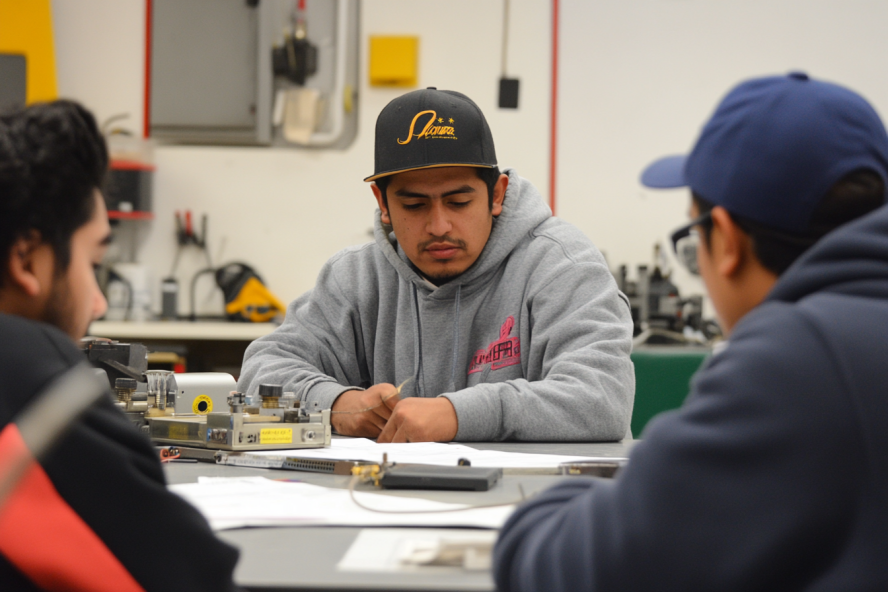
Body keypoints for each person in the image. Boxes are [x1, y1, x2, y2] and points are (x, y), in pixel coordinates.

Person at [494, 72, 888, 591]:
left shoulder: (799, 357)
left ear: (724, 242)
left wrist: (547, 508)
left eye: (692, 234)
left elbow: (578, 567)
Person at [238, 88, 634, 443]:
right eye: (414, 205)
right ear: (382, 202)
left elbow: (602, 397)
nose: (439, 226)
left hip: (534, 509)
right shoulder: (354, 279)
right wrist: (338, 403)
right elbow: (261, 371)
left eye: (459, 202)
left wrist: (457, 414)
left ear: (497, 195)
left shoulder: (560, 264)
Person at [0, 101, 241, 591]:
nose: (98, 299)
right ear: (27, 260)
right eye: (92, 260)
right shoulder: (28, 387)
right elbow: (186, 576)